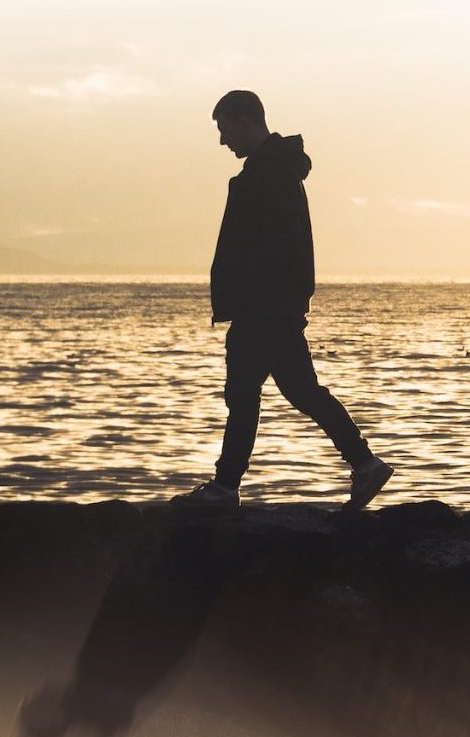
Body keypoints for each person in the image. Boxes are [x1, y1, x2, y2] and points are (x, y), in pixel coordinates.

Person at [171, 90, 392, 509]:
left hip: (265, 308)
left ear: (246, 121)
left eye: (225, 130)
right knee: (302, 392)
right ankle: (365, 464)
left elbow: (277, 245)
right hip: (275, 306)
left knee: (242, 394)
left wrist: (258, 298)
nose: (223, 142)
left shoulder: (268, 175)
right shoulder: (273, 171)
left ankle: (225, 487)